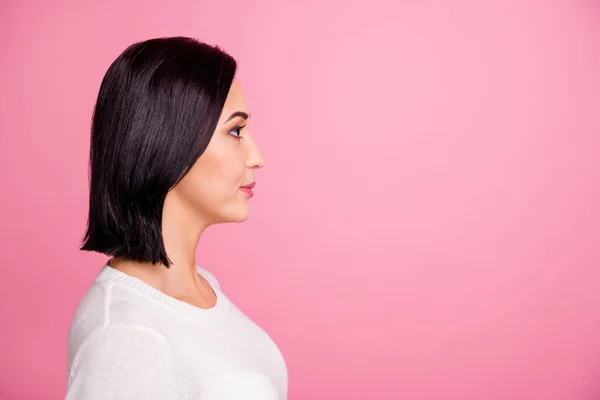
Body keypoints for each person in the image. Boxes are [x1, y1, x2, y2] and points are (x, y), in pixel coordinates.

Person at [65, 36, 288, 400]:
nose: (257, 156)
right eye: (235, 131)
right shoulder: (126, 341)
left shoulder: (202, 289)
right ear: (169, 143)